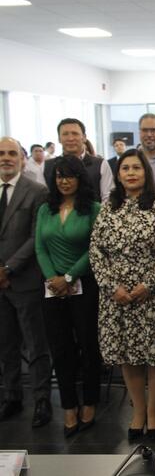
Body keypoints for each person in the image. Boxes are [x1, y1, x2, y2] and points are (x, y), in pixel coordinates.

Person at [89, 149, 155, 440]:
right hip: (116, 296)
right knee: (127, 355)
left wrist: (149, 283)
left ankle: (154, 411)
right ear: (118, 175)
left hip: (153, 295)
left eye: (137, 168)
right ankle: (138, 411)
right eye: (125, 168)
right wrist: (110, 286)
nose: (131, 173)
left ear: (147, 172)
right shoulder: (109, 208)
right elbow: (96, 250)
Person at [35, 155, 102, 436]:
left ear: (80, 178)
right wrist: (53, 278)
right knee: (60, 350)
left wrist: (69, 277)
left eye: (69, 175)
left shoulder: (94, 209)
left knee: (88, 346)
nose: (63, 181)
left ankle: (89, 402)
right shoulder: (45, 210)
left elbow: (94, 248)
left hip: (84, 286)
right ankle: (68, 406)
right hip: (52, 289)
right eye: (59, 176)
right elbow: (40, 247)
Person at [0, 137, 52, 428]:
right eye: (1, 154)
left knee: (35, 344)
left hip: (24, 279)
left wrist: (7, 268)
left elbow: (36, 237)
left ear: (22, 159)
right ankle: (11, 396)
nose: (6, 158)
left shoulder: (36, 192)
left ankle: (42, 399)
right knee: (5, 345)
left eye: (11, 154)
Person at [44, 118, 114, 202]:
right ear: (59, 139)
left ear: (84, 137)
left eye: (75, 133)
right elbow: (44, 196)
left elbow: (107, 198)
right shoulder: (48, 166)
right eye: (65, 134)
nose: (70, 138)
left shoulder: (100, 164)